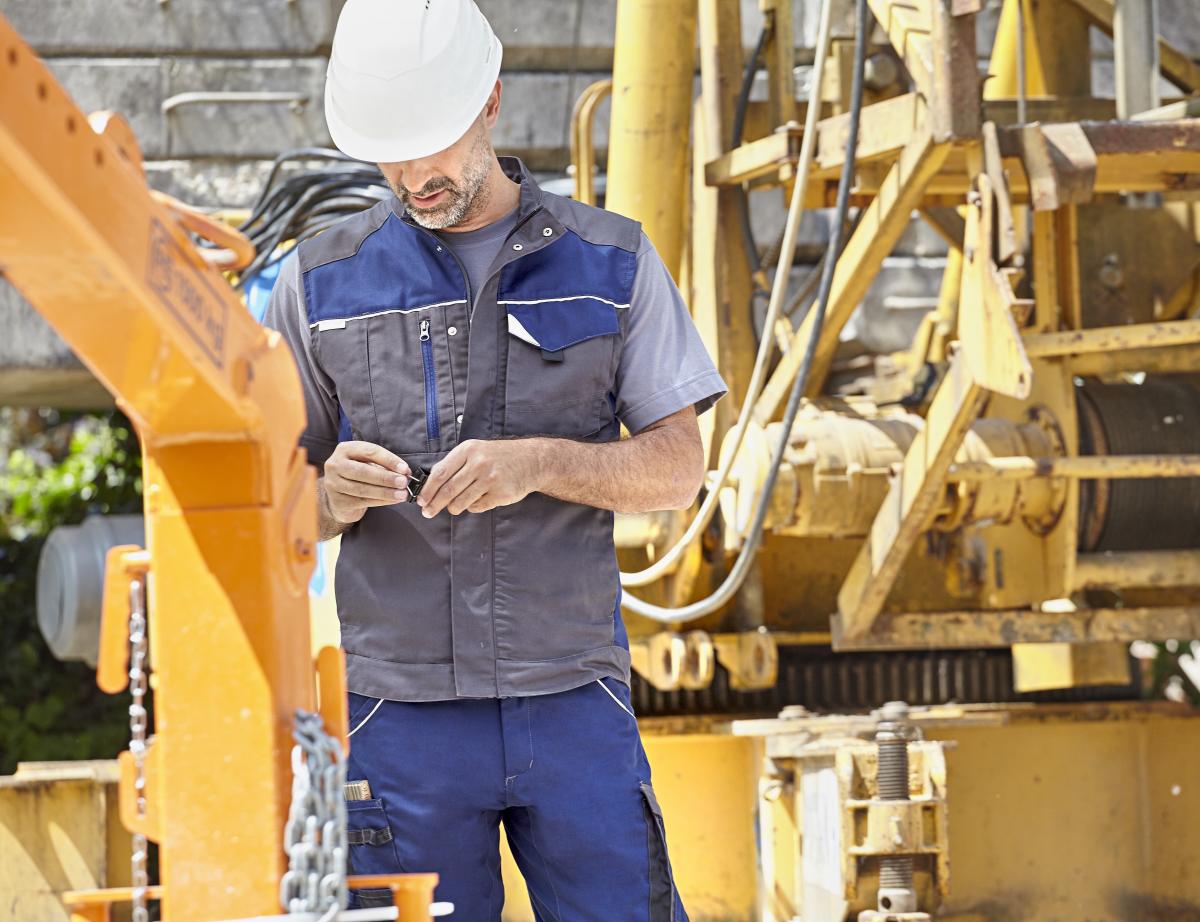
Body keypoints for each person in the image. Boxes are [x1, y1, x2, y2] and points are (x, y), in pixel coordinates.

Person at [264, 0, 726, 918]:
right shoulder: (317, 285)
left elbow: (679, 469)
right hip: (398, 715)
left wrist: (540, 463)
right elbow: (263, 506)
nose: (411, 176)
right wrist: (327, 497)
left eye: (430, 146)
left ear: (490, 104)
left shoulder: (614, 262)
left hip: (572, 698)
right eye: (389, 154)